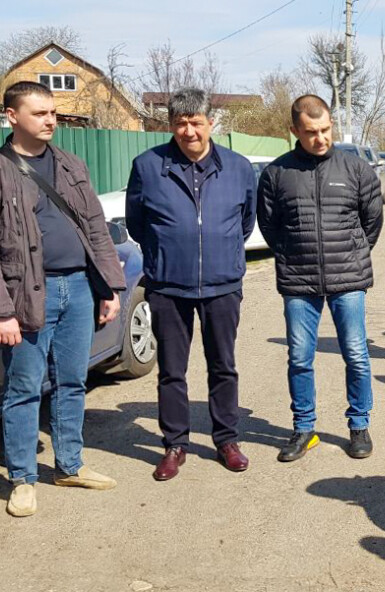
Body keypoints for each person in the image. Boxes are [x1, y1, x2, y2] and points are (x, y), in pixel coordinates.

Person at [0, 81, 126, 517]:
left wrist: (110, 286)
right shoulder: (0, 169)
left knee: (73, 382)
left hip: (78, 288)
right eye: (39, 113)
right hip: (25, 296)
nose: (50, 120)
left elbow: (95, 228)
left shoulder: (71, 164)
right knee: (23, 389)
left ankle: (69, 465)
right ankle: (22, 479)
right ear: (12, 116)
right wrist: (3, 312)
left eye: (52, 112)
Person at [126, 88, 256, 482]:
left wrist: (223, 254)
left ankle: (226, 440)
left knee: (223, 366)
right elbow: (137, 224)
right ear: (170, 125)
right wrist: (167, 254)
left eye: (196, 122)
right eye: (180, 123)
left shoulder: (237, 167)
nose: (188, 131)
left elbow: (246, 221)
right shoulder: (148, 166)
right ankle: (175, 444)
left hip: (222, 285)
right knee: (171, 370)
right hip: (169, 286)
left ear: (210, 122)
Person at [257, 95, 384, 463]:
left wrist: (353, 254)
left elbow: (372, 222)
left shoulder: (356, 169)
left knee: (357, 355)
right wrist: (291, 254)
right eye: (311, 132)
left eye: (326, 129)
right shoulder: (277, 174)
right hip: (299, 282)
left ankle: (359, 424)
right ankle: (303, 428)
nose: (320, 138)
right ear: (295, 130)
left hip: (348, 280)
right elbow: (269, 226)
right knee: (299, 357)